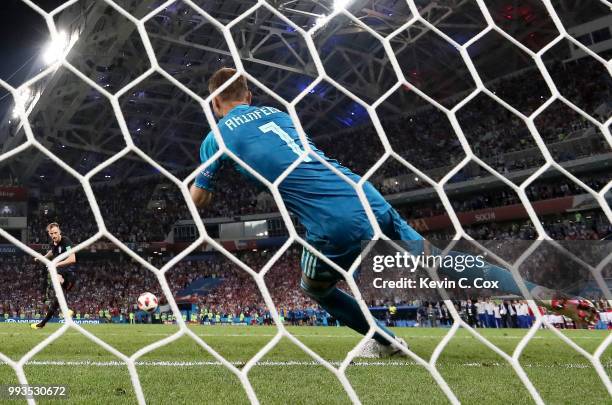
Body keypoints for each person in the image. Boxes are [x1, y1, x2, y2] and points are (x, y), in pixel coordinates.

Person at [189, 68, 598, 356]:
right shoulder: (280, 114)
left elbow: (200, 199)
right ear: (250, 95)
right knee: (439, 262)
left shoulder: (216, 136)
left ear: (214, 101)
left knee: (316, 289)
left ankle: (384, 341)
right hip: (365, 193)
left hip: (335, 220)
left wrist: (201, 179)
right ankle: (542, 294)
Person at [31, 223, 77, 329]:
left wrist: (55, 263)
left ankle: (66, 310)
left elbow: (72, 259)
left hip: (70, 274)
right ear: (49, 234)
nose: (54, 235)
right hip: (61, 274)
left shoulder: (66, 242)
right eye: (51, 233)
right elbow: (52, 251)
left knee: (56, 278)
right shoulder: (53, 243)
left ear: (59, 232)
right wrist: (42, 257)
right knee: (54, 304)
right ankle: (41, 324)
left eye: (55, 233)